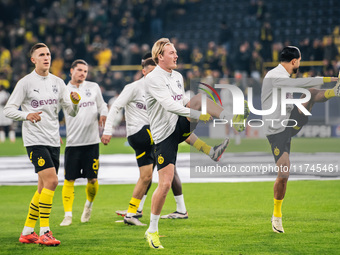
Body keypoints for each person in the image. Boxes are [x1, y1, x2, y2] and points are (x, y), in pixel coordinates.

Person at [143, 38, 247, 249]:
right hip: (164, 136)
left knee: (199, 97)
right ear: (160, 56)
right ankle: (151, 230)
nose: (176, 55)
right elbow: (169, 105)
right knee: (164, 184)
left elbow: (181, 102)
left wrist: (195, 112)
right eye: (172, 53)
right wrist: (196, 114)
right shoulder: (153, 78)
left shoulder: (178, 77)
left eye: (175, 52)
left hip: (180, 126)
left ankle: (231, 118)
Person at [101, 55, 229, 226]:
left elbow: (180, 100)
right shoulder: (133, 88)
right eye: (152, 72)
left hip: (153, 133)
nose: (156, 75)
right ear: (143, 72)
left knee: (153, 174)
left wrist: (189, 106)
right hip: (140, 132)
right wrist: (108, 130)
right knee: (171, 134)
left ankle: (138, 211)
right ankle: (209, 151)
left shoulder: (162, 85)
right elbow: (116, 106)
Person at [4, 43, 80, 246]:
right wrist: (26, 115)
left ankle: (27, 231)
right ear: (33, 60)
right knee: (53, 181)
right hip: (34, 140)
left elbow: (71, 113)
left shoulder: (58, 83)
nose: (46, 57)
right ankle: (44, 231)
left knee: (43, 187)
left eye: (48, 54)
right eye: (41, 55)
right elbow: (8, 109)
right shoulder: (25, 83)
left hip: (53, 140)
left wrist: (74, 102)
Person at [261, 46, 339, 234]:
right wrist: (332, 79)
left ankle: (336, 92)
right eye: (300, 60)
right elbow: (304, 83)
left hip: (288, 121)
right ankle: (276, 216)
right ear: (294, 61)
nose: (300, 64)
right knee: (284, 174)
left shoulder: (283, 77)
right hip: (277, 131)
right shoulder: (274, 76)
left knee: (311, 93)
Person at [60, 59, 108, 226]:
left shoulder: (93, 87)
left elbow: (103, 105)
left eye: (85, 71)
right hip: (73, 143)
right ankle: (68, 215)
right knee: (69, 180)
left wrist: (103, 114)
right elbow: (54, 114)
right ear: (71, 70)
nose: (82, 73)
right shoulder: (63, 90)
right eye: (79, 70)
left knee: (92, 180)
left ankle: (88, 205)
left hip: (92, 142)